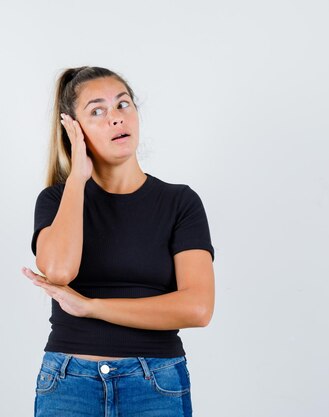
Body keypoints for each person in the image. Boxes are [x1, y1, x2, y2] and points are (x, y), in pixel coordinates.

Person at [21, 66, 215, 417]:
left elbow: (198, 309)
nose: (115, 118)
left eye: (123, 105)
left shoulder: (180, 203)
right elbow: (60, 271)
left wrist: (92, 306)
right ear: (73, 130)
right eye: (97, 110)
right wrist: (78, 179)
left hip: (155, 383)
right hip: (69, 382)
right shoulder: (55, 201)